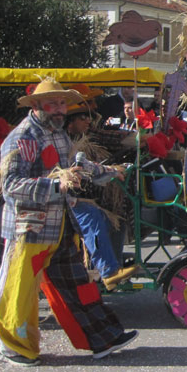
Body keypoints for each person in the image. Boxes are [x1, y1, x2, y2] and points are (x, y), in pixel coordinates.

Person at [0, 79, 138, 366]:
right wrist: (54, 185)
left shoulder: (58, 135)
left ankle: (102, 337)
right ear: (37, 106)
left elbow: (76, 166)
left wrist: (107, 171)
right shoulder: (22, 138)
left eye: (62, 103)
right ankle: (14, 347)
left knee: (79, 285)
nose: (60, 109)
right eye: (53, 103)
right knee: (19, 292)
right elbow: (10, 185)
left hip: (60, 226)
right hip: (29, 231)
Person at [64, 103, 138, 290]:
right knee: (92, 217)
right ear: (70, 123)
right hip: (58, 200)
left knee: (115, 220)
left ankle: (108, 268)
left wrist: (111, 171)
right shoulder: (64, 141)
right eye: (83, 118)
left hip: (74, 197)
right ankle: (108, 272)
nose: (88, 121)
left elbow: (85, 166)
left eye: (89, 117)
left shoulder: (71, 140)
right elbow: (78, 166)